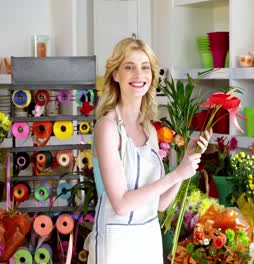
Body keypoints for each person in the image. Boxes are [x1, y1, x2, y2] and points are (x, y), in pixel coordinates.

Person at [84, 37, 211, 264]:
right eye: (129, 67)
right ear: (115, 75)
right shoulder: (108, 128)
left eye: (145, 68)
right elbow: (121, 204)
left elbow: (160, 203)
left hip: (149, 239)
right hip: (116, 243)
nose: (139, 75)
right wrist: (176, 174)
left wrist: (186, 164)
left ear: (152, 76)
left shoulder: (150, 130)